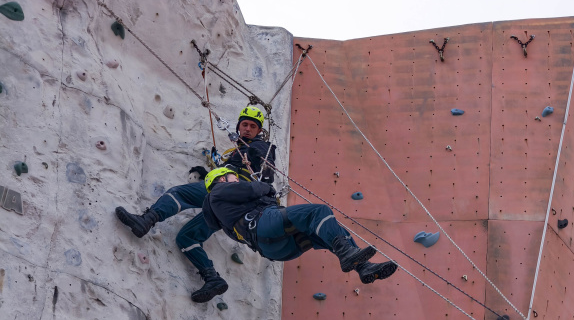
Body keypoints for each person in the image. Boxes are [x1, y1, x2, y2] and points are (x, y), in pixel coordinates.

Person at [115, 106, 276, 302]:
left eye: (253, 126)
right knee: (187, 238)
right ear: (239, 125)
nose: (248, 129)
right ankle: (212, 278)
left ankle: (147, 220)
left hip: (231, 191)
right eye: (245, 125)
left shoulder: (262, 149)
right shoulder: (239, 150)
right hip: (231, 206)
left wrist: (246, 150)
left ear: (259, 131)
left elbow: (263, 168)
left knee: (180, 193)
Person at [201, 168, 398, 284]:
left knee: (325, 231)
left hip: (274, 249)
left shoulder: (224, 216)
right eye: (233, 177)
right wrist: (266, 187)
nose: (236, 180)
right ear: (221, 179)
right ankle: (349, 256)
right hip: (264, 224)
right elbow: (252, 188)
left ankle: (363, 266)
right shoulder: (218, 192)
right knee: (318, 212)